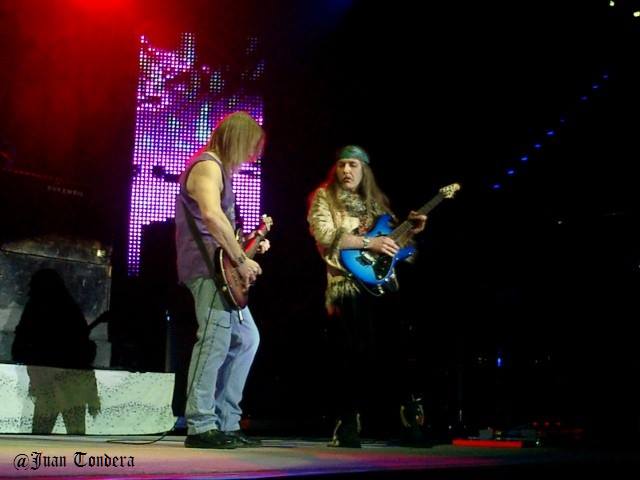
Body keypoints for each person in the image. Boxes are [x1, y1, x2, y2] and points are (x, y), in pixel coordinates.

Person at [307, 145, 427, 447]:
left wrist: (410, 232)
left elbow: (394, 250)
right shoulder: (325, 199)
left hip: (384, 287)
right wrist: (368, 243)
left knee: (398, 353)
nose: (347, 170)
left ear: (364, 171)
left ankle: (409, 422)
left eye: (354, 165)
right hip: (346, 285)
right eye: (342, 164)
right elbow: (325, 237)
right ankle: (347, 423)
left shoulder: (378, 205)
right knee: (352, 354)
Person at [174, 111, 268, 449]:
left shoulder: (221, 172)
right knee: (213, 340)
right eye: (251, 148)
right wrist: (242, 260)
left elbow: (222, 227)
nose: (252, 156)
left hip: (220, 271)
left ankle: (226, 422)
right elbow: (211, 217)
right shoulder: (207, 166)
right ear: (238, 139)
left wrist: (247, 248)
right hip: (205, 269)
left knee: (246, 339)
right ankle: (200, 424)